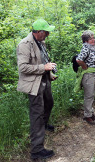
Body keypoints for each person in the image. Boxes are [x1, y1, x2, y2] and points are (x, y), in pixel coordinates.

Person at [17, 18, 57, 160]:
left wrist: (50, 72)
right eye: (46, 32)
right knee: (37, 114)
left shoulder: (41, 43)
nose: (48, 34)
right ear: (39, 32)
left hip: (44, 79)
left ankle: (43, 126)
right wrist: (43, 68)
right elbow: (22, 68)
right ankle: (36, 150)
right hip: (33, 84)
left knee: (49, 103)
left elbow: (44, 62)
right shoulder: (24, 44)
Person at [76, 30, 95, 125]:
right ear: (86, 41)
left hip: (93, 74)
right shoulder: (86, 48)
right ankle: (87, 116)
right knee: (89, 95)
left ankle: (90, 113)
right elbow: (79, 60)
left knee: (91, 94)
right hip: (88, 75)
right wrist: (84, 66)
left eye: (93, 38)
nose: (93, 40)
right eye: (91, 39)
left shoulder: (92, 48)